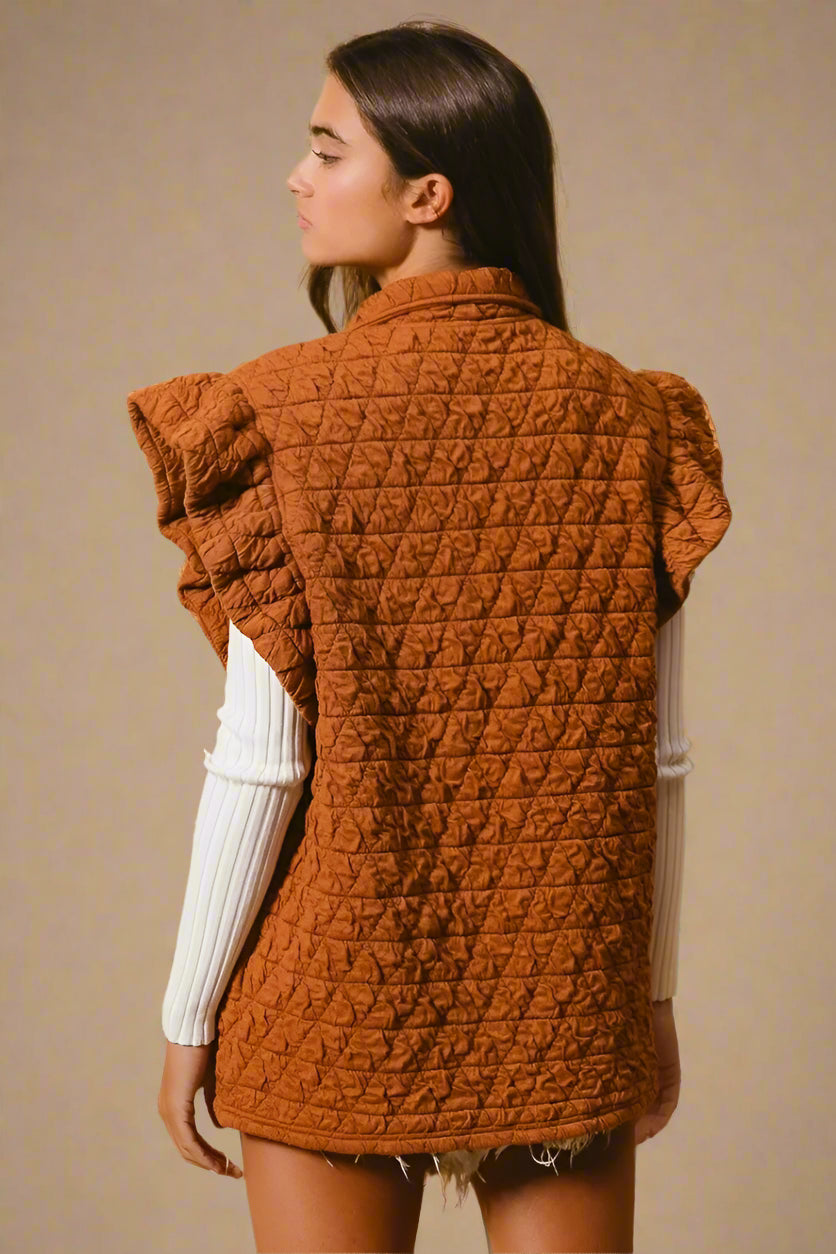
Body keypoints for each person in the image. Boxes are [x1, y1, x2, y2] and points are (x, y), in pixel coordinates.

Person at [129, 19, 732, 1253]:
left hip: (331, 987)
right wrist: (646, 993)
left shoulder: (276, 415)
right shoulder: (630, 419)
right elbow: (655, 758)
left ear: (426, 192)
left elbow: (261, 761)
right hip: (564, 986)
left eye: (325, 149)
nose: (297, 178)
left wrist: (190, 1015)